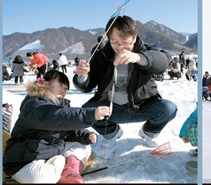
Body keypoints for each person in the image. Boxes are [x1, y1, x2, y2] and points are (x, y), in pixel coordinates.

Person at [73, 15, 178, 149]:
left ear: (134, 38)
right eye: (115, 42)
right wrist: (82, 77)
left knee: (169, 108)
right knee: (86, 112)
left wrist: (139, 58)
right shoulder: (102, 55)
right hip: (112, 109)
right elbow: (87, 86)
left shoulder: (145, 51)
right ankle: (112, 133)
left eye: (125, 42)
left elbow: (163, 61)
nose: (120, 47)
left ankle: (149, 132)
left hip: (141, 106)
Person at [3, 71, 110, 183]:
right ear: (44, 84)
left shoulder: (59, 108)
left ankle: (70, 171)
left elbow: (69, 129)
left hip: (51, 153)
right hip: (26, 160)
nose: (63, 91)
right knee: (40, 177)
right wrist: (89, 115)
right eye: (61, 85)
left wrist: (86, 135)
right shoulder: (34, 104)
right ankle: (62, 167)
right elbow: (55, 117)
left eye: (66, 89)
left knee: (84, 146)